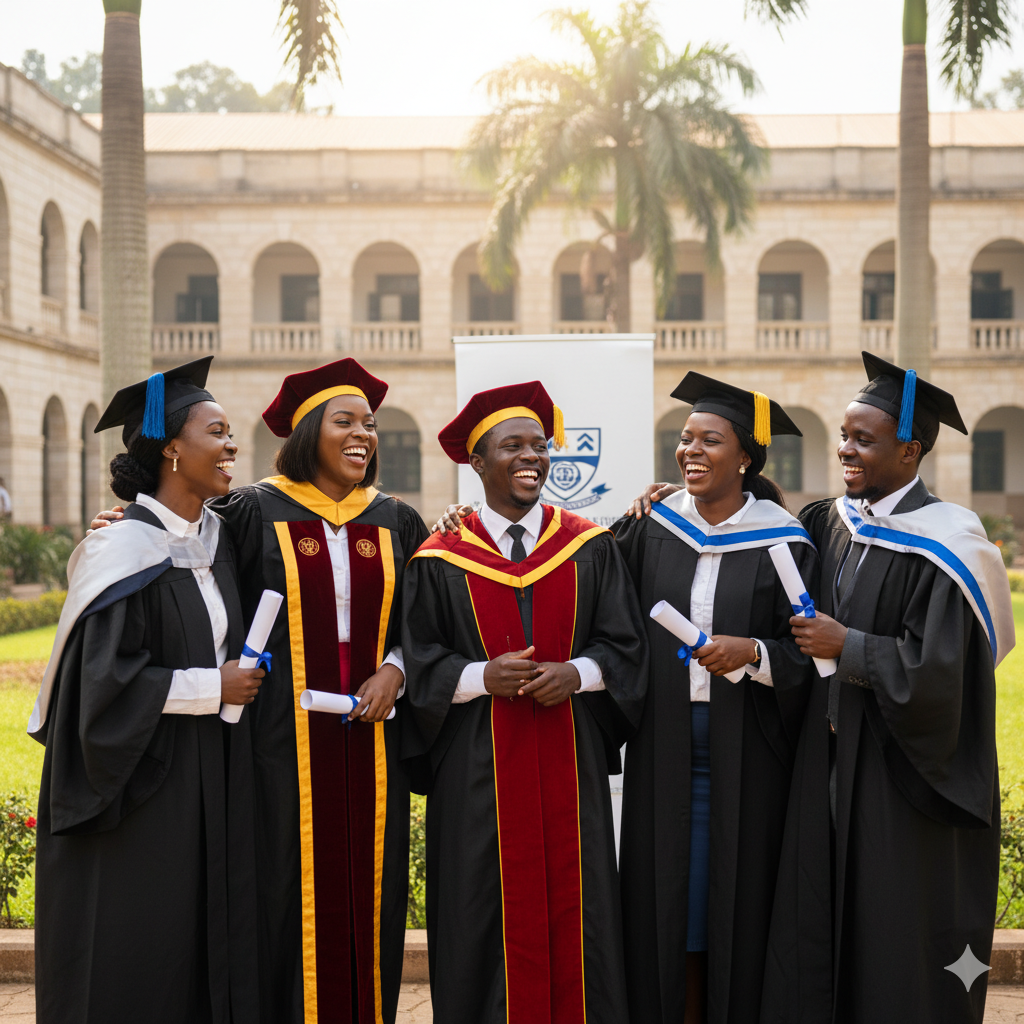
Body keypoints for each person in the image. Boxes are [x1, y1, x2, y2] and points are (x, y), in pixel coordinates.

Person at [90, 358, 430, 1024]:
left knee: (372, 895)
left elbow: (427, 621)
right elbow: (181, 560)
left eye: (370, 424)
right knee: (278, 895)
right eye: (345, 421)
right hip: (276, 749)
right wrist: (128, 528)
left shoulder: (397, 520)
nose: (364, 434)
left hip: (371, 749)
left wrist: (397, 668)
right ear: (306, 432)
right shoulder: (246, 513)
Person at [760, 353, 1013, 1024]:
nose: (845, 448)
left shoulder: (951, 544)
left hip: (904, 778)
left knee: (897, 934)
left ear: (910, 449)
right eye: (844, 434)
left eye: (862, 439)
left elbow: (947, 674)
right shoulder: (831, 522)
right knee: (823, 924)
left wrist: (853, 648)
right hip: (830, 766)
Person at [402, 381, 648, 1024]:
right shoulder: (440, 558)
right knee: (478, 908)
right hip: (476, 774)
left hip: (570, 767)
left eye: (540, 446)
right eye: (511, 446)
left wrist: (581, 671)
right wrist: (481, 676)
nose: (531, 457)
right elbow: (418, 660)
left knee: (581, 909)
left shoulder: (589, 547)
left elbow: (626, 648)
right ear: (477, 463)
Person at [31, 357, 264, 1024]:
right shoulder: (122, 550)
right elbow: (100, 683)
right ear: (171, 448)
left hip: (206, 778)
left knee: (197, 945)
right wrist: (210, 686)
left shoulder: (215, 541)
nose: (231, 445)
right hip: (136, 788)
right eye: (216, 432)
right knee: (138, 949)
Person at [609, 373, 820, 1024]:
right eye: (684, 438)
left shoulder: (784, 542)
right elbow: (596, 592)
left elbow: (811, 656)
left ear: (747, 459)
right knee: (665, 901)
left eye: (710, 440)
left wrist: (753, 654)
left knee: (731, 901)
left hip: (748, 754)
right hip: (662, 750)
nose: (690, 450)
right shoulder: (653, 526)